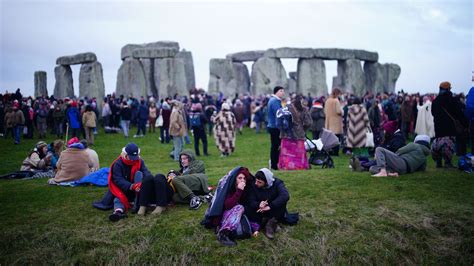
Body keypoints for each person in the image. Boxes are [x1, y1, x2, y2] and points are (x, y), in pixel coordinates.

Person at [202, 167, 256, 246]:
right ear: (235, 179)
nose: (242, 180)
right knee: (239, 207)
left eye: (244, 178)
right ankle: (223, 234)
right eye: (240, 178)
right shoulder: (229, 188)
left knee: (242, 208)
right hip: (222, 214)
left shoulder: (246, 188)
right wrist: (239, 191)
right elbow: (227, 205)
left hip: (233, 215)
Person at [108, 143, 153, 222]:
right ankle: (118, 212)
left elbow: (146, 173)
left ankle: (137, 203)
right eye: (131, 157)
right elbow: (118, 179)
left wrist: (144, 183)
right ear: (126, 154)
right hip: (123, 189)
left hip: (138, 188)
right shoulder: (118, 164)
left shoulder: (140, 161)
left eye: (135, 157)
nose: (133, 160)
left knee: (139, 174)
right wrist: (131, 186)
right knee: (118, 198)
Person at [431, 81, 467, 168]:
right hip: (449, 129)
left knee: (438, 145)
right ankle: (448, 162)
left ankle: (438, 162)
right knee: (448, 145)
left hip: (438, 129)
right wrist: (465, 124)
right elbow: (459, 113)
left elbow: (433, 113)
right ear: (448, 89)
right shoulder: (452, 100)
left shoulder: (435, 101)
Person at [247, 168, 290, 240]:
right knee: (249, 208)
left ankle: (271, 223)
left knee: (281, 203)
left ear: (267, 182)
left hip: (273, 209)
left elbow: (285, 196)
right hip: (260, 210)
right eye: (256, 180)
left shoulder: (277, 183)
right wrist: (259, 204)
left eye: (259, 182)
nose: (256, 183)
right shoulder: (254, 185)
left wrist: (270, 206)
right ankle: (266, 221)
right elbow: (250, 201)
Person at [278, 95, 312, 170]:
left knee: (286, 152)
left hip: (286, 134)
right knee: (298, 153)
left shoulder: (286, 107)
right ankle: (299, 165)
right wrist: (303, 129)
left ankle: (285, 165)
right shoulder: (303, 110)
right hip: (298, 133)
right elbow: (308, 123)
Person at [267, 86, 285, 170]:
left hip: (272, 126)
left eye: (283, 91)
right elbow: (279, 114)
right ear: (276, 92)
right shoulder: (275, 101)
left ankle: (274, 163)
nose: (283, 92)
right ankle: (274, 164)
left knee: (275, 146)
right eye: (281, 91)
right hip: (275, 126)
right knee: (276, 146)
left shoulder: (273, 100)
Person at [324, 88, 343, 155]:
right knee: (336, 138)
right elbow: (338, 111)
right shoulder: (336, 101)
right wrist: (342, 112)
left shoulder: (327, 100)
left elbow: (325, 111)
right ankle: (335, 152)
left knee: (330, 138)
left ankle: (330, 151)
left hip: (329, 121)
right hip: (336, 122)